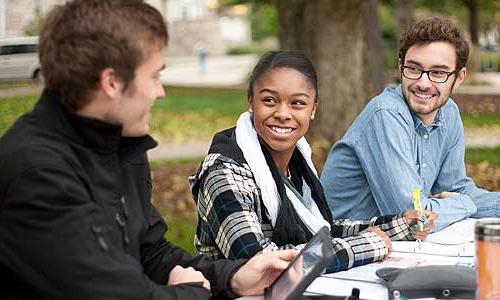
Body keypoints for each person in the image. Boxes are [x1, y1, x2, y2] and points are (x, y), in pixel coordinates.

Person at [0, 1, 298, 299]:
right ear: (112, 82)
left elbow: (150, 252)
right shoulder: (37, 174)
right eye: (155, 75)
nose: (161, 91)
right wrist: (194, 292)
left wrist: (233, 277)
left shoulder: (120, 146)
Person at [189, 51, 436, 272]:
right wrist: (365, 246)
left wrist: (400, 224)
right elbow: (263, 263)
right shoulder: (224, 171)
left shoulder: (298, 161)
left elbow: (321, 231)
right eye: (269, 100)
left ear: (313, 109)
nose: (283, 114)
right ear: (251, 102)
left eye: (297, 103)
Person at [320, 17, 500, 231]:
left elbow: (456, 188)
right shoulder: (386, 114)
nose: (423, 83)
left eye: (438, 73)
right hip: (343, 246)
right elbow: (414, 218)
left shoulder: (448, 113)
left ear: (459, 77)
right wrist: (463, 204)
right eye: (414, 69)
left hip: (394, 244)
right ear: (400, 66)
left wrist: (465, 201)